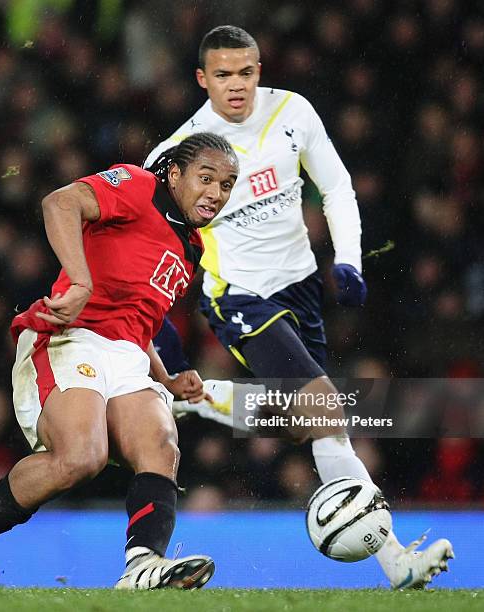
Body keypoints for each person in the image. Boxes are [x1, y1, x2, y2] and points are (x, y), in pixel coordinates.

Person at [145, 26, 454, 589]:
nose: (235, 86)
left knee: (315, 430)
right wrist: (155, 322)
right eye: (222, 75)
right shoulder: (178, 152)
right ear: (201, 78)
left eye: (245, 72)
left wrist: (350, 259)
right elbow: (147, 242)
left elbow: (336, 187)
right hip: (235, 293)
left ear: (259, 70)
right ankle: (396, 561)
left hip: (301, 289)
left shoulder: (293, 111)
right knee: (327, 407)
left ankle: (206, 399)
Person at [0, 132, 239, 590]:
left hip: (127, 356)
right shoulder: (138, 186)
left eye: (227, 184)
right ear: (175, 174)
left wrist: (169, 379)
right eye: (206, 178)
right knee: (82, 457)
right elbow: (59, 202)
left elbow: (140, 325)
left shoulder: (192, 248)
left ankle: (142, 565)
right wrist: (79, 281)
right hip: (70, 337)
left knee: (161, 443)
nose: (216, 193)